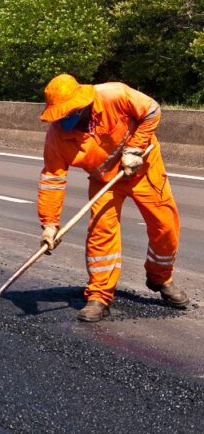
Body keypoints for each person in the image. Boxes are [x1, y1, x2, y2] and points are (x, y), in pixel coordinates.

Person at [36, 73, 188, 322]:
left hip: (144, 169)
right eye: (59, 115)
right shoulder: (57, 136)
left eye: (68, 113)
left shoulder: (114, 95)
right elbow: (53, 179)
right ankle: (99, 295)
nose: (63, 119)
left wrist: (134, 149)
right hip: (105, 180)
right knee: (101, 232)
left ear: (82, 105)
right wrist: (49, 224)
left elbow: (152, 110)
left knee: (165, 226)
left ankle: (161, 278)